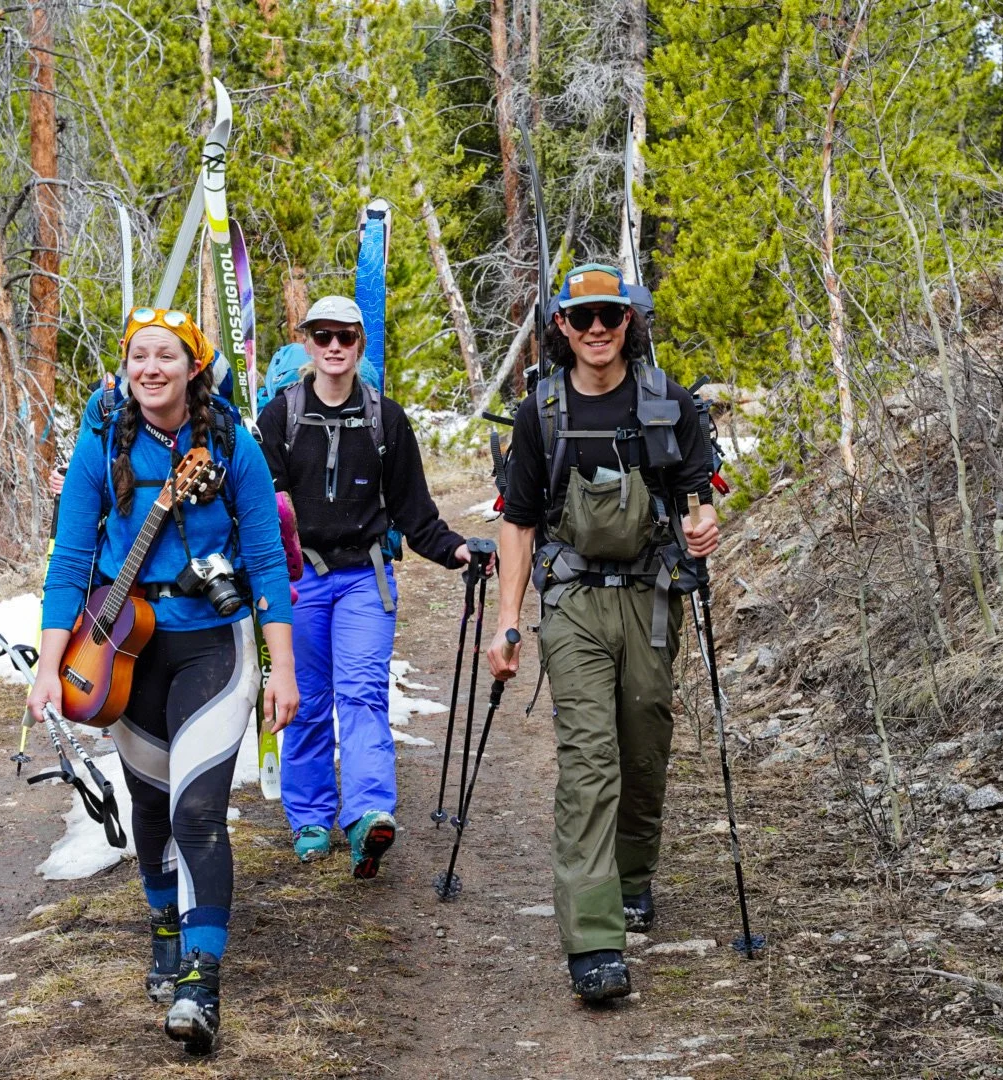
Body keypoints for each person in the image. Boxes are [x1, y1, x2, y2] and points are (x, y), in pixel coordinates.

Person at [27, 307, 299, 1055]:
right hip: (125, 647)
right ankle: (164, 928)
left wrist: (282, 668)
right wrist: (49, 666)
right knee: (150, 804)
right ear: (126, 367)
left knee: (198, 811)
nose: (151, 368)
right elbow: (70, 560)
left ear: (193, 367)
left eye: (167, 356)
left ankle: (200, 985)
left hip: (213, 645)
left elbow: (267, 561)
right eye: (139, 355)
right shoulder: (101, 443)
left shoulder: (233, 444)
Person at [484, 265, 719, 1004]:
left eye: (609, 316)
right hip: (575, 602)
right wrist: (508, 621)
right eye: (581, 317)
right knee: (589, 762)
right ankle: (594, 943)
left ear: (628, 321)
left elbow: (699, 492)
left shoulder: (665, 401)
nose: (595, 329)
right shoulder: (542, 413)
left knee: (644, 748)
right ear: (560, 325)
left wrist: (703, 525)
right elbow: (518, 522)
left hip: (651, 600)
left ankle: (633, 876)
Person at [257, 295, 484, 877]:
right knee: (306, 700)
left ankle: (367, 816)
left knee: (362, 695)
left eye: (346, 336)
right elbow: (263, 513)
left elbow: (414, 510)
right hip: (300, 580)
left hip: (365, 579)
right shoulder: (280, 417)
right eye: (323, 335)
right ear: (307, 343)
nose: (334, 346)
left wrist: (455, 549)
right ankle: (310, 819)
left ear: (360, 344)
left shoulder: (387, 419)